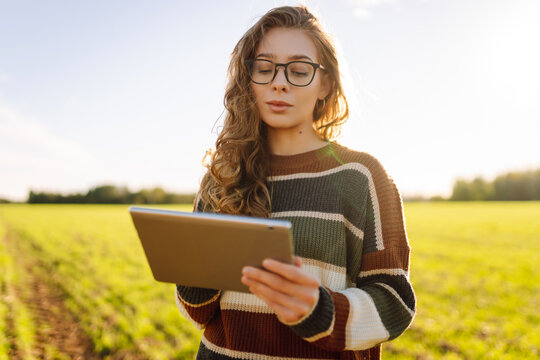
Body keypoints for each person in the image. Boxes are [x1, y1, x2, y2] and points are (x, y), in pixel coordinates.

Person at [175, 5, 416, 360]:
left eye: (299, 70)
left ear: (326, 84)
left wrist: (321, 310)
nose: (279, 81)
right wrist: (192, 275)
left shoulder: (362, 176)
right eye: (265, 68)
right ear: (249, 79)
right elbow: (197, 313)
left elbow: (394, 301)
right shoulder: (222, 176)